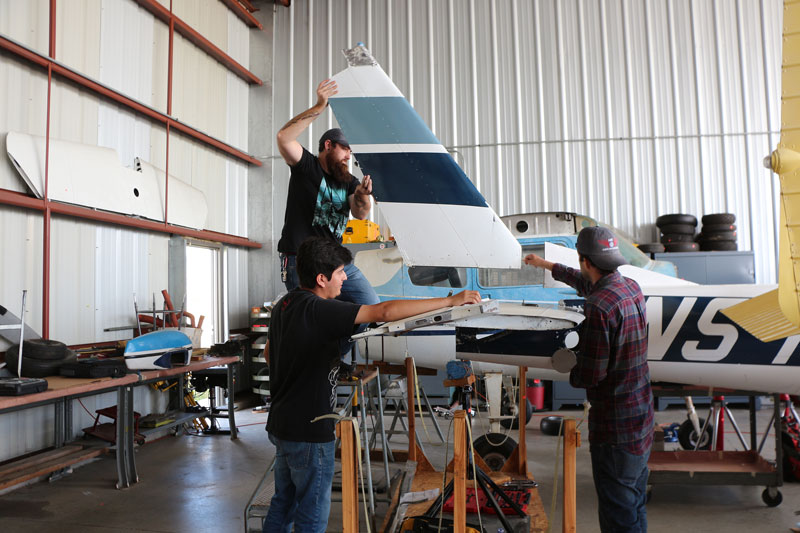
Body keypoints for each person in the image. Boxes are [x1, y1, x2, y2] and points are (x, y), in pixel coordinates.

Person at [264, 236, 481, 533]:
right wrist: (450, 301)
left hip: (281, 425)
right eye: (340, 273)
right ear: (321, 279)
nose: (344, 279)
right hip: (310, 433)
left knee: (283, 504)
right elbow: (383, 312)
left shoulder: (284, 305)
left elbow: (268, 353)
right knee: (312, 515)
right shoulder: (321, 310)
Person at [524, 226, 653, 533]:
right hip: (641, 419)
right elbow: (585, 282)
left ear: (585, 261)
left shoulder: (599, 306)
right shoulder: (631, 287)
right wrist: (546, 266)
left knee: (618, 514)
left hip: (614, 428)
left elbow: (591, 375)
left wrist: (564, 364)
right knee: (634, 504)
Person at [275, 78, 379, 311]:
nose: (347, 156)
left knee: (370, 305)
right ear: (329, 145)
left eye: (350, 151)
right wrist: (319, 107)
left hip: (336, 262)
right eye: (344, 149)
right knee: (307, 318)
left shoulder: (348, 180)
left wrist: (363, 194)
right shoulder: (307, 166)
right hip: (301, 261)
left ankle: (339, 345)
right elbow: (284, 138)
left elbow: (360, 213)